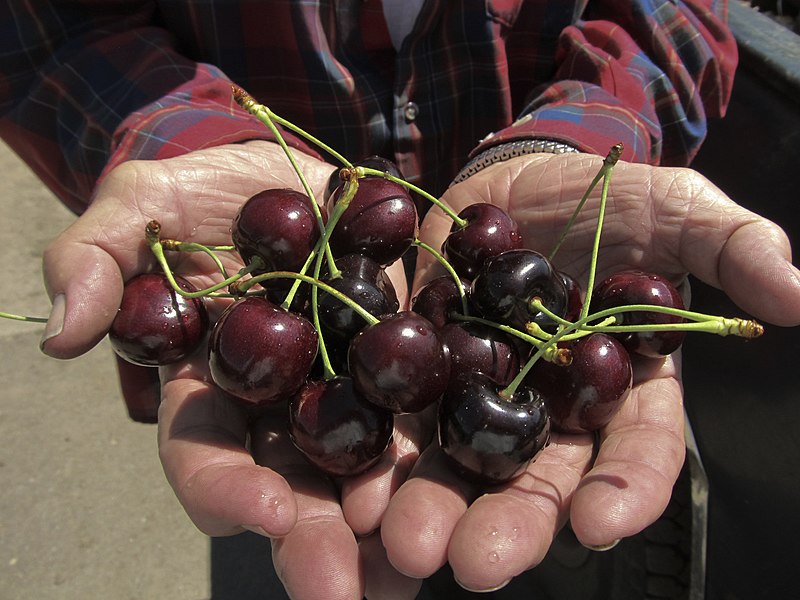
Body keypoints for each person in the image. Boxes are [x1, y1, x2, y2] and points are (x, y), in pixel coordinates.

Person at [2, 1, 799, 598]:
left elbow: (678, 16)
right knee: (281, 529)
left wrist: (568, 141)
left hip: (474, 417)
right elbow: (49, 32)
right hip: (264, 435)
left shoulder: (501, 326)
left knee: (516, 560)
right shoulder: (297, 320)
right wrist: (191, 142)